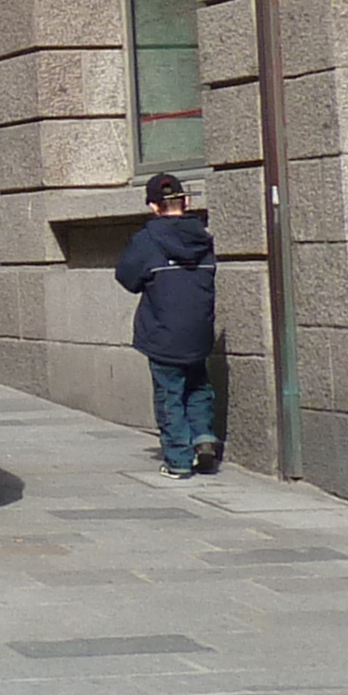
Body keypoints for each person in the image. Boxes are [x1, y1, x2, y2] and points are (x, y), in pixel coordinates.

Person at [114, 171, 219, 477]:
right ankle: (204, 440)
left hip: (163, 331)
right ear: (185, 201)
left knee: (169, 394)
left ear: (153, 206)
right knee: (198, 384)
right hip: (199, 329)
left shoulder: (147, 240)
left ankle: (178, 460)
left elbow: (127, 278)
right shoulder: (203, 237)